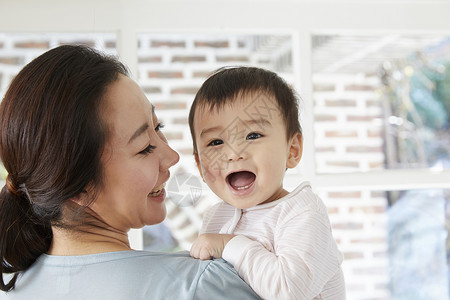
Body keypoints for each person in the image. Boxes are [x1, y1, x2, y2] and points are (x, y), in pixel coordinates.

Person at [0, 45, 260, 299]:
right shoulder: (200, 286)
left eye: (158, 127)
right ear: (77, 188)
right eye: (145, 148)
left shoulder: (19, 287)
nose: (172, 157)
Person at [188, 67, 346, 299]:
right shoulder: (216, 217)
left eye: (252, 135)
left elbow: (289, 290)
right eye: (216, 142)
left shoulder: (301, 212)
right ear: (200, 164)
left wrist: (229, 245)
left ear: (292, 150)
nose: (234, 153)